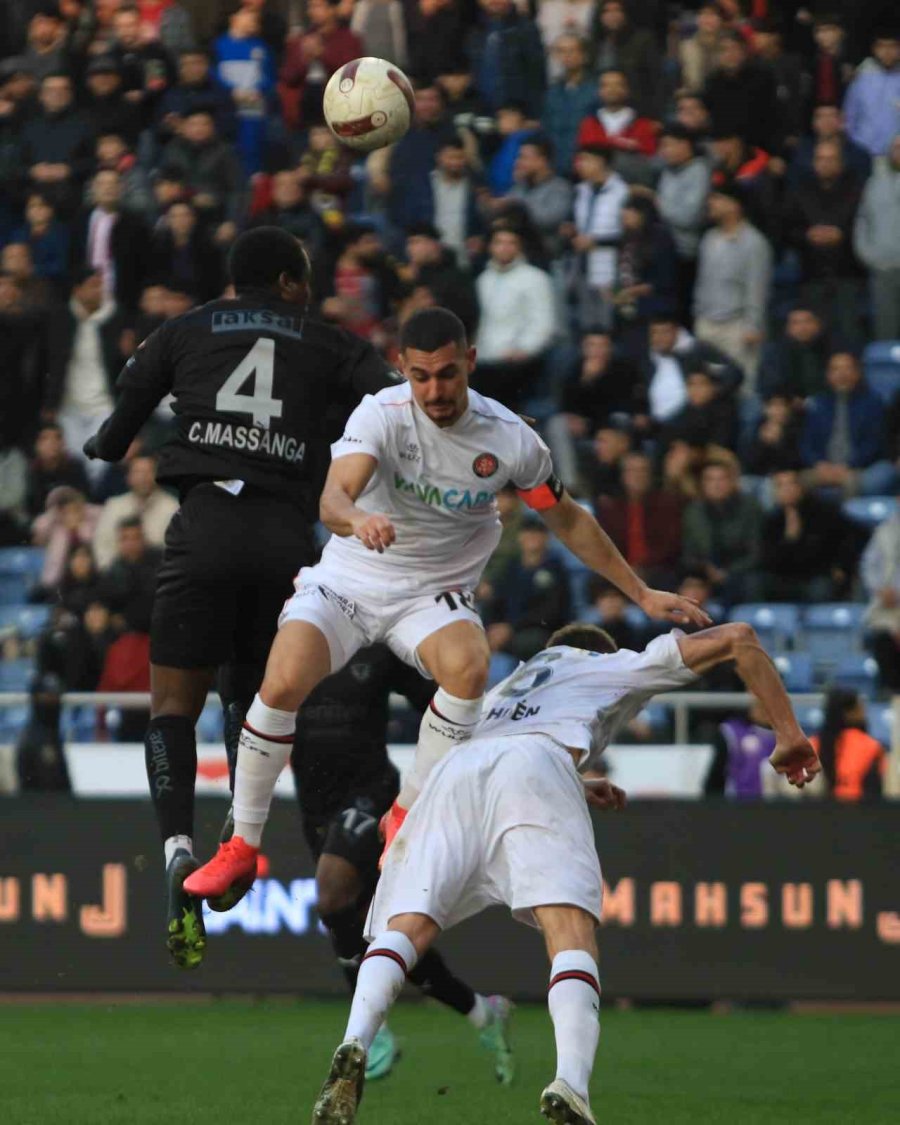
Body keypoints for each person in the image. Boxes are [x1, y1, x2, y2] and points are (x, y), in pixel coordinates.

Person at [185, 307, 710, 910]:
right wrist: (357, 519)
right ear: (403, 370)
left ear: (470, 364)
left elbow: (565, 516)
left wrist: (640, 592)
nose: (435, 390)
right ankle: (241, 846)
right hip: (354, 576)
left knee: (468, 665)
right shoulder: (380, 414)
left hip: (432, 592)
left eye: (447, 375)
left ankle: (405, 816)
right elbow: (334, 497)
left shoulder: (510, 438)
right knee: (281, 682)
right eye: (421, 376)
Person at [311, 620, 819, 1125]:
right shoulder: (611, 665)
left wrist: (575, 781)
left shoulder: (511, 683)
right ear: (598, 652)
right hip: (536, 763)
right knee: (568, 931)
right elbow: (740, 638)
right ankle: (571, 1084)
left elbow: (499, 749)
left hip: (454, 772)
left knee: (410, 927)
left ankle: (354, 1040)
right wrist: (790, 734)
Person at [82, 227, 396, 970]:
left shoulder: (184, 329)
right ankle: (238, 837)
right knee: (260, 697)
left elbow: (115, 431)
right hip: (287, 540)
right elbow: (395, 406)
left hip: (205, 531)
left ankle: (177, 848)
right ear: (290, 283)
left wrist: (104, 444)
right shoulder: (329, 340)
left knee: (170, 707)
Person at [289, 642, 514, 1084]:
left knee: (332, 896)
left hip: (372, 796)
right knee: (384, 936)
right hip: (314, 804)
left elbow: (441, 703)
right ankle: (482, 1013)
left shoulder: (378, 646)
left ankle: (370, 1036)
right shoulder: (292, 639)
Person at [693, 186, 772, 390]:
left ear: (734, 205)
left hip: (737, 326)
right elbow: (701, 281)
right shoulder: (709, 238)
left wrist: (753, 326)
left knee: (741, 387)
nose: (711, 203)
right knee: (708, 386)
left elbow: (757, 288)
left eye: (717, 198)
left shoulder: (754, 242)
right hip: (707, 323)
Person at [473, 226, 557, 408]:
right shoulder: (483, 279)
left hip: (517, 366)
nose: (504, 248)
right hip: (483, 362)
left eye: (511, 243)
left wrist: (524, 350)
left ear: (520, 247)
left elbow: (543, 323)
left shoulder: (535, 278)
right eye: (499, 242)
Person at [799, 351, 896, 497]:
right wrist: (819, 464)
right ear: (828, 375)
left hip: (859, 468)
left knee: (863, 480)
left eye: (847, 368)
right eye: (835, 369)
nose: (841, 374)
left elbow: (874, 444)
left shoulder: (872, 403)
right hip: (822, 467)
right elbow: (806, 443)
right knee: (792, 484)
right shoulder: (818, 404)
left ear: (857, 373)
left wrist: (847, 466)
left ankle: (847, 518)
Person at [759, 469, 860, 603]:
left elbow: (849, 539)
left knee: (820, 589)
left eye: (791, 484)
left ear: (800, 487)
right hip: (785, 578)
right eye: (780, 486)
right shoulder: (772, 521)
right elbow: (769, 559)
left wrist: (842, 566)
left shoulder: (824, 511)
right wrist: (789, 539)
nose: (786, 489)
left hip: (819, 575)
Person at [681, 456, 763, 605]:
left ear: (732, 482)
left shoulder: (750, 508)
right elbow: (689, 552)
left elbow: (756, 552)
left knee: (752, 583)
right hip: (704, 572)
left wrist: (728, 572)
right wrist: (706, 568)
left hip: (740, 572)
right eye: (710, 479)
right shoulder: (694, 511)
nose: (716, 484)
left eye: (722, 479)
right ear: (702, 484)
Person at [92, 453, 178, 569]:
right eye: (137, 472)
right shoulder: (114, 506)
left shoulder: (172, 508)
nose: (143, 478)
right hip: (119, 577)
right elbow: (102, 546)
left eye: (148, 472)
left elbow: (177, 551)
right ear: (128, 477)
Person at [853, 135, 900, 342]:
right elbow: (862, 221)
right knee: (885, 331)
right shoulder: (874, 184)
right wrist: (869, 255)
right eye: (896, 147)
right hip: (883, 269)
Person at [809, 688, 885, 801]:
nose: (864, 713)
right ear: (849, 713)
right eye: (860, 708)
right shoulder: (871, 746)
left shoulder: (810, 745)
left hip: (815, 813)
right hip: (859, 811)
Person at [541, 33, 596, 176]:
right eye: (561, 51)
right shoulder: (552, 92)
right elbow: (546, 128)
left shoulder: (596, 89)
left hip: (586, 167)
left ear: (584, 55)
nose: (567, 55)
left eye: (572, 50)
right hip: (555, 166)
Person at [861, 505, 900, 693]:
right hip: (887, 605)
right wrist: (880, 589)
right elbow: (868, 565)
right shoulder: (884, 531)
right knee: (881, 634)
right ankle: (890, 693)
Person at [842, 33, 900, 160]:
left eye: (892, 47)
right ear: (874, 49)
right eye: (882, 47)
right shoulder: (861, 79)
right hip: (863, 154)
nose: (887, 52)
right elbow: (849, 117)